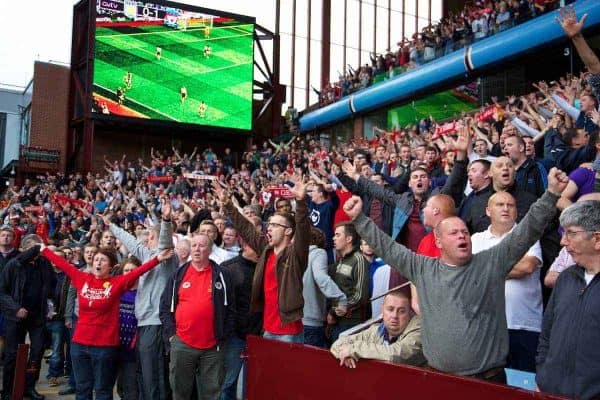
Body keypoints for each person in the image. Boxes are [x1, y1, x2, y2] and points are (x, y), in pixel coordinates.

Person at [342, 167, 568, 381]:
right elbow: (388, 249)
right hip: (439, 382)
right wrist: (360, 219)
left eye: (464, 232)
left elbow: (527, 231)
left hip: (488, 382)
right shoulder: (423, 267)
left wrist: (551, 194)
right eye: (454, 233)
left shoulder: (491, 262)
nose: (462, 236)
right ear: (438, 241)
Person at [38, 244, 172, 400]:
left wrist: (157, 259)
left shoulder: (117, 283)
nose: (98, 263)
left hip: (104, 347)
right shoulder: (82, 278)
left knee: (102, 390)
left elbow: (139, 271)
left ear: (111, 266)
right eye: (96, 260)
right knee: (82, 389)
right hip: (79, 345)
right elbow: (63, 264)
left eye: (102, 260)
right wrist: (43, 249)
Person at [216, 174, 309, 344]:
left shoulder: (295, 254)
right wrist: (227, 204)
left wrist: (301, 202)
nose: (269, 229)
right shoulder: (267, 250)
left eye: (274, 225)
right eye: (269, 225)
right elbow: (247, 229)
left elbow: (303, 229)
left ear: (288, 231)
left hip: (288, 331)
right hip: (266, 330)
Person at [107, 200, 177, 400]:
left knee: (155, 376)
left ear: (153, 237)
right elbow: (132, 242)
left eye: (149, 238)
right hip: (145, 323)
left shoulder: (166, 256)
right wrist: (110, 225)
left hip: (156, 324)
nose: (145, 242)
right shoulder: (147, 255)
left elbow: (164, 242)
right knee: (146, 376)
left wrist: (165, 220)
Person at [471, 192, 543, 372]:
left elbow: (527, 266)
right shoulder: (475, 239)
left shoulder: (528, 236)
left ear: (517, 212)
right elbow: (468, 273)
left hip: (523, 325)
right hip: (485, 326)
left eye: (510, 205)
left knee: (522, 385)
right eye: (500, 204)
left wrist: (485, 270)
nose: (505, 208)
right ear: (488, 211)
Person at [536, 200, 600, 399]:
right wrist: (542, 376)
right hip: (550, 391)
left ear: (597, 239)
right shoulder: (565, 278)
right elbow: (546, 335)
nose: (563, 241)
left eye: (571, 233)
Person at [159, 233, 234, 400]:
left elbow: (231, 309)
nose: (197, 249)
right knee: (180, 392)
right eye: (194, 246)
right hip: (182, 342)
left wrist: (224, 335)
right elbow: (165, 308)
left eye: (201, 246)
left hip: (213, 346)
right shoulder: (178, 275)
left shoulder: (222, 275)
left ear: (209, 250)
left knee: (212, 393)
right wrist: (172, 335)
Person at [0, 235, 54, 400]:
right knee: (12, 354)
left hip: (37, 316)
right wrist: (16, 308)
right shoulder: (13, 265)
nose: (37, 250)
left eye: (39, 247)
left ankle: (29, 387)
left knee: (37, 352)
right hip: (16, 317)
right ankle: (8, 390)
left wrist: (50, 305)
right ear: (23, 249)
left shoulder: (44, 264)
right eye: (33, 247)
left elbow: (51, 285)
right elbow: (2, 292)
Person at [330, 289, 425, 368]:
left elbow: (396, 355)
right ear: (382, 310)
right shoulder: (376, 330)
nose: (395, 316)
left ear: (409, 313)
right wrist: (346, 355)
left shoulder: (419, 330)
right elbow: (338, 344)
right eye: (390, 309)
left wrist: (354, 349)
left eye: (402, 311)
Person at [219, 238, 260, 400]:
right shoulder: (229, 268)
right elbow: (222, 305)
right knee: (229, 381)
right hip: (234, 335)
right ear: (246, 245)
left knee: (254, 382)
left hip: (258, 334)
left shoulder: (264, 267)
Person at [302, 227, 347, 348]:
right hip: (311, 321)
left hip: (292, 322)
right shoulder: (318, 253)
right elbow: (321, 278)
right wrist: (341, 298)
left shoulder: (293, 254)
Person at [328, 222, 369, 342]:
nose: (333, 238)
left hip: (352, 324)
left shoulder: (359, 259)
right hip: (338, 321)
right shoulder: (341, 260)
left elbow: (360, 296)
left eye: (337, 235)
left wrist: (335, 311)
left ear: (348, 239)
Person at [116, 257, 142, 400]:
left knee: (131, 385)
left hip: (134, 346)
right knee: (120, 385)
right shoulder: (117, 290)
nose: (130, 273)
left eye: (133, 270)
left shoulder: (144, 291)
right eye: (126, 270)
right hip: (115, 343)